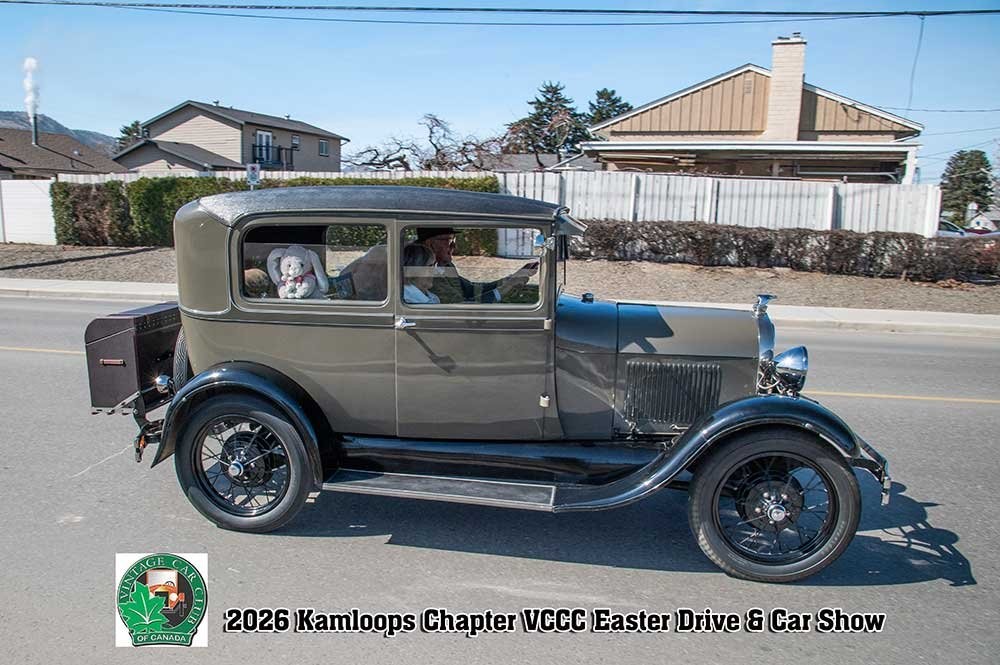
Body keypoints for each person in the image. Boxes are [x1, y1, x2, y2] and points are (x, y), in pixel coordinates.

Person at [415, 227, 539, 304]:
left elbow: (471, 289)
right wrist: (509, 286)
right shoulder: (425, 276)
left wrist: (514, 277)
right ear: (430, 244)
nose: (453, 246)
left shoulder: (446, 266)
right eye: (448, 240)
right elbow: (464, 307)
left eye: (453, 240)